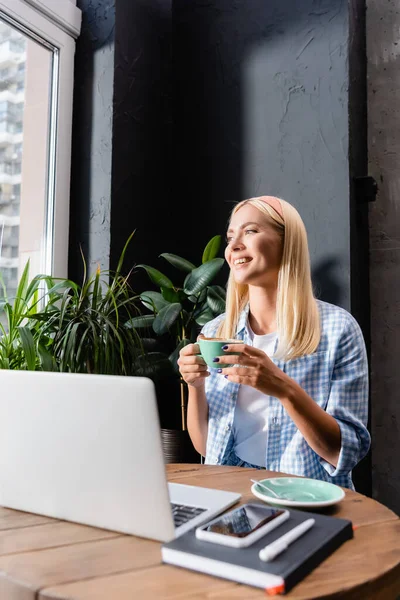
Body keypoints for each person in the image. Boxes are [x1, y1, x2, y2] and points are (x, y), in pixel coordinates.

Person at [178, 195, 370, 490]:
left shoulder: (338, 330)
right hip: (231, 490)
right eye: (231, 237)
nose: (234, 246)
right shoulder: (216, 330)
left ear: (287, 241)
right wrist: (195, 385)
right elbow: (206, 447)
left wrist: (284, 388)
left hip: (305, 495)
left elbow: (344, 453)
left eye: (250, 231)